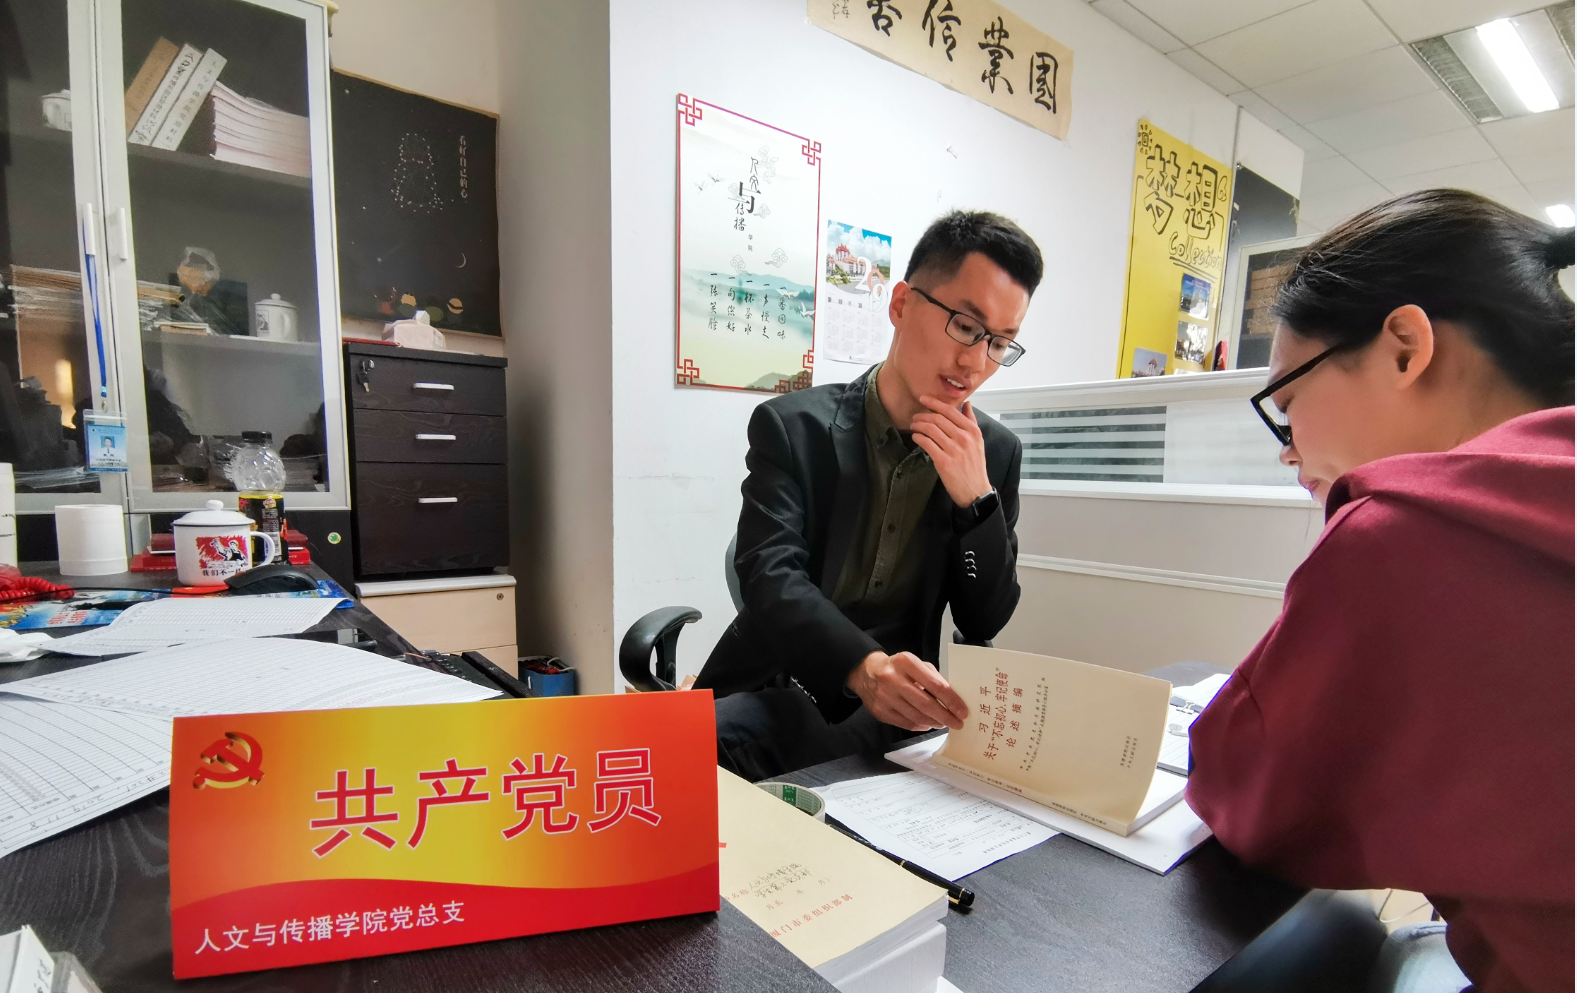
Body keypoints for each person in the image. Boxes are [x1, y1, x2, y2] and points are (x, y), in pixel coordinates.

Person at [1187, 189, 1574, 993]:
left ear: (1403, 348)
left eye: (1287, 404)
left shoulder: (1407, 529)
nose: (1288, 451)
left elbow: (1247, 794)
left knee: (1332, 935)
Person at [695, 210, 1043, 780]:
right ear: (901, 305)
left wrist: (977, 502)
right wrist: (862, 666)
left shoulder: (993, 453)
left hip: (895, 710)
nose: (976, 362)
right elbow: (767, 573)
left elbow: (984, 618)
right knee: (689, 749)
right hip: (782, 675)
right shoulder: (793, 426)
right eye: (965, 326)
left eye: (1000, 343)